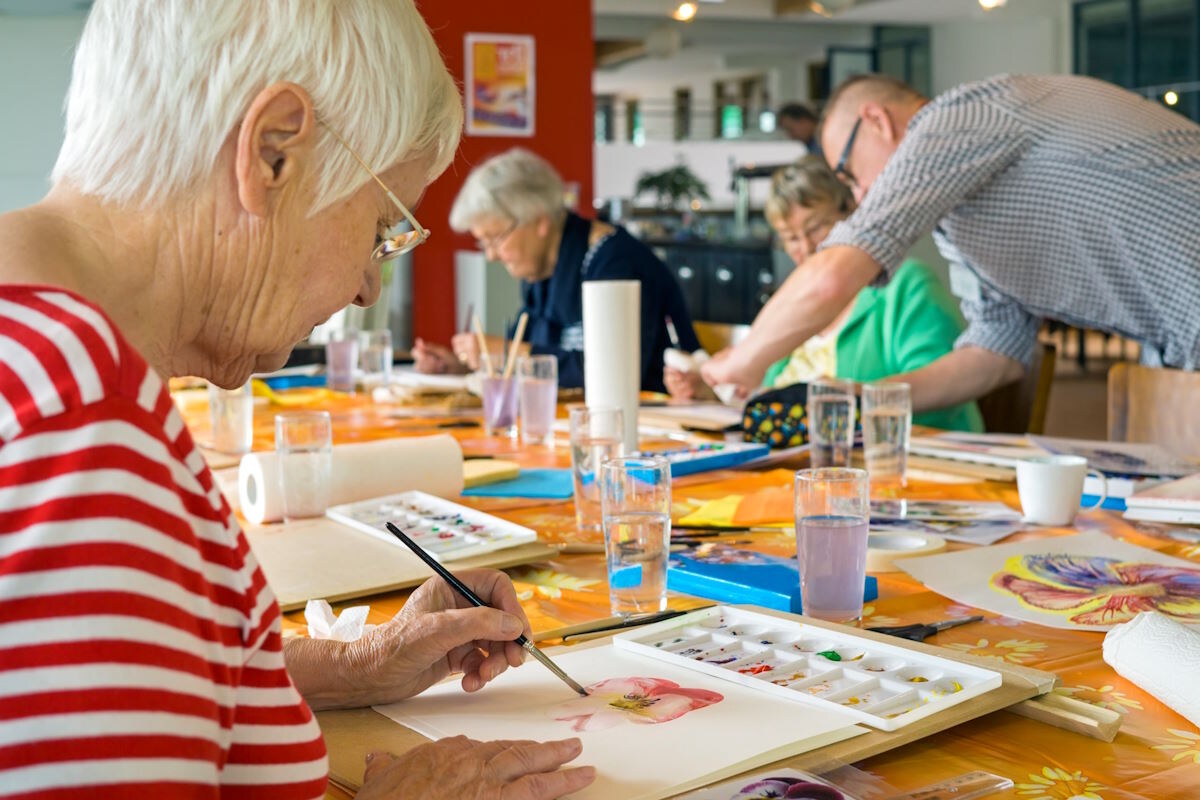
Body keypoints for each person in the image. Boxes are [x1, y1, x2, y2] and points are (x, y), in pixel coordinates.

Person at [0, 2, 594, 798]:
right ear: (273, 151)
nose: (366, 285)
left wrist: (357, 665)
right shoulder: (79, 441)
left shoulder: (46, 361)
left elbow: (148, 664)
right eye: (382, 226)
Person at [702, 73, 1200, 412]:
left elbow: (834, 275)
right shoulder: (963, 218)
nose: (862, 194)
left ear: (876, 121)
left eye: (851, 174)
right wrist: (862, 400)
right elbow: (994, 352)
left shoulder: (954, 119)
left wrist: (743, 361)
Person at [665, 157, 982, 433]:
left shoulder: (906, 285)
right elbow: (771, 396)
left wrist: (851, 396)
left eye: (818, 227)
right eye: (790, 238)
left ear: (852, 213)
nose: (806, 248)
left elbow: (946, 398)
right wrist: (710, 394)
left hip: (908, 467)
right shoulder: (797, 304)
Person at [412, 148, 700, 392]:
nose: (490, 255)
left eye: (495, 239)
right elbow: (528, 352)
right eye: (482, 242)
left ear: (539, 221)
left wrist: (509, 354)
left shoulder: (616, 263)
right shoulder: (541, 271)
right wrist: (463, 364)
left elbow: (613, 374)